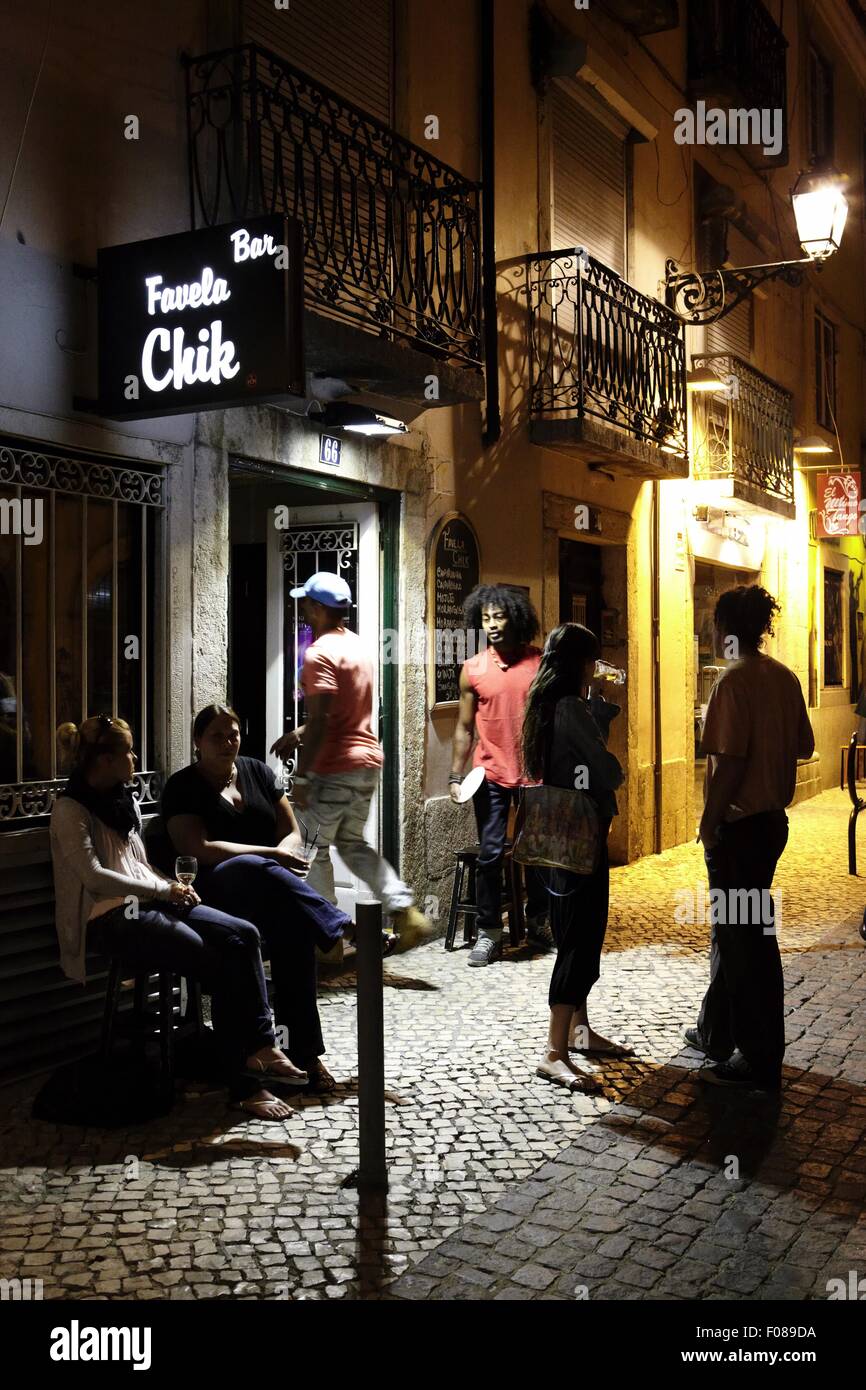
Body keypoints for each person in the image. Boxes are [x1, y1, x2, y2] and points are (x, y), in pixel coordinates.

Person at [50, 715, 302, 1121]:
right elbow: (95, 877)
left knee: (244, 934)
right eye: (128, 751)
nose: (134, 756)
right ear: (103, 759)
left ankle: (261, 1048)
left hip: (151, 902)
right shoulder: (70, 809)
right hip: (108, 918)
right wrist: (163, 890)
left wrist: (172, 886)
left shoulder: (123, 799)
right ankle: (242, 1084)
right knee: (218, 958)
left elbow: (139, 866)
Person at [162, 703, 357, 1094]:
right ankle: (343, 927)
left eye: (232, 734)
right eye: (216, 736)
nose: (227, 742)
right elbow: (196, 847)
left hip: (266, 891)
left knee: (296, 932)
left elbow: (291, 830)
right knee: (253, 865)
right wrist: (271, 855)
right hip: (212, 892)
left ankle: (303, 1055)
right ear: (198, 741)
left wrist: (283, 853)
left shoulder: (257, 772)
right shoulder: (183, 786)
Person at [690, 585, 815, 1091]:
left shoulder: (732, 682)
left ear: (726, 629)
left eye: (715, 625)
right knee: (737, 931)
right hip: (771, 826)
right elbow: (805, 744)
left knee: (746, 939)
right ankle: (716, 1031)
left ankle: (757, 1055)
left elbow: (729, 763)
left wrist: (708, 822)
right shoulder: (783, 677)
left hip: (738, 829)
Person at [270, 572, 432, 950]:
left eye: (307, 602)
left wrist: (306, 776)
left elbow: (324, 717)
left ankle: (327, 934)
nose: (303, 608)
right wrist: (300, 733)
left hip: (334, 765)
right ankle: (403, 908)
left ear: (318, 608)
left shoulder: (319, 653)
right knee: (350, 843)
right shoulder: (358, 647)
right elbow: (344, 709)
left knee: (306, 848)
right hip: (366, 761)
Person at [521, 624, 628, 1092]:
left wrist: (599, 709)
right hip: (580, 835)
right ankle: (553, 1052)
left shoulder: (548, 705)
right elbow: (605, 769)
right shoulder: (569, 709)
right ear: (581, 663)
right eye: (592, 661)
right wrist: (611, 762)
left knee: (575, 932)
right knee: (580, 937)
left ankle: (580, 1034)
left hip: (559, 835)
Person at [449, 584, 549, 966]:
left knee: (537, 854)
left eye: (499, 616)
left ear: (517, 618)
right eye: (486, 618)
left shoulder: (540, 664)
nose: (491, 624)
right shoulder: (473, 669)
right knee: (490, 855)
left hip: (534, 772)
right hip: (489, 773)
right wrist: (455, 776)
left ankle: (539, 922)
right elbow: (463, 728)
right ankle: (490, 933)